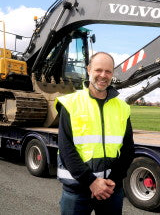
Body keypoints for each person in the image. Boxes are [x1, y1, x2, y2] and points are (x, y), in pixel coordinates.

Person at [55, 52, 134, 215]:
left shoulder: (122, 107)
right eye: (98, 70)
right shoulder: (71, 103)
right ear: (89, 70)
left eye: (108, 71)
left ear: (113, 74)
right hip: (77, 189)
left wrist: (114, 179)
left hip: (111, 189)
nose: (103, 75)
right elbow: (66, 149)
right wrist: (91, 181)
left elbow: (128, 149)